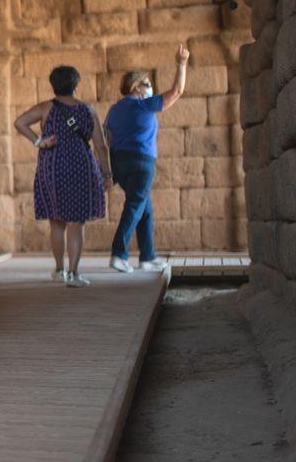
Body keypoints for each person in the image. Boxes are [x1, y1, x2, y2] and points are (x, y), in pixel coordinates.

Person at [13, 66, 111, 288]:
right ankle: (74, 274)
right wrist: (107, 173)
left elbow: (20, 122)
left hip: (53, 166)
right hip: (81, 167)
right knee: (77, 223)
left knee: (57, 223)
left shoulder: (47, 108)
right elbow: (101, 146)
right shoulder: (88, 111)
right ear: (75, 85)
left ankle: (59, 270)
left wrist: (39, 141)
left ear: (53, 85)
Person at [104, 44, 190, 274]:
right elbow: (177, 91)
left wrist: (107, 170)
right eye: (148, 84)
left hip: (120, 164)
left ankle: (147, 256)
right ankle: (118, 254)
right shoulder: (144, 104)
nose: (151, 88)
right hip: (142, 163)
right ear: (137, 87)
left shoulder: (114, 110)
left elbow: (106, 139)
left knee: (144, 207)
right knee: (134, 206)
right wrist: (181, 64)